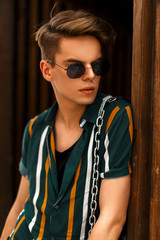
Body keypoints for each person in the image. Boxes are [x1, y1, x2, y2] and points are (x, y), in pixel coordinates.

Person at [1, 9, 134, 240]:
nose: (91, 75)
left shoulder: (115, 117)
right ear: (47, 70)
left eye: (97, 65)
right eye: (76, 68)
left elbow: (112, 219)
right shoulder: (35, 128)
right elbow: (19, 207)